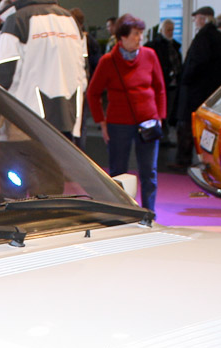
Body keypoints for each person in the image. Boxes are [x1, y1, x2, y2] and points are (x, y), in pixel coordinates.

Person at [87, 14, 166, 211]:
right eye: (136, 34)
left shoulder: (150, 55)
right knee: (118, 172)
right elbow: (93, 93)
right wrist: (102, 122)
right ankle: (120, 211)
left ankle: (149, 213)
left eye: (141, 34)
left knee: (149, 172)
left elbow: (160, 88)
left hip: (148, 121)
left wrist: (160, 117)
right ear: (122, 37)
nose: (140, 38)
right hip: (118, 124)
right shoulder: (108, 61)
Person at [0, 0, 87, 138]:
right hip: (69, 117)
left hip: (27, 121)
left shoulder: (16, 20)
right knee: (59, 159)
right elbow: (83, 70)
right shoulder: (70, 19)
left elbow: (4, 77)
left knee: (29, 159)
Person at [173, 7, 221, 169]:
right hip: (207, 90)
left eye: (196, 18)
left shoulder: (204, 37)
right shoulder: (216, 37)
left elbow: (197, 63)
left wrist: (186, 78)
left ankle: (183, 160)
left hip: (196, 91)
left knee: (187, 126)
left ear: (203, 19)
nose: (195, 21)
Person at [146, 19, 181, 146]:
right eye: (168, 29)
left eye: (172, 30)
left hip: (172, 84)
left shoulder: (175, 46)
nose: (171, 32)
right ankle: (159, 136)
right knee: (160, 111)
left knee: (169, 110)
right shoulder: (155, 46)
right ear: (162, 30)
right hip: (161, 83)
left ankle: (163, 136)